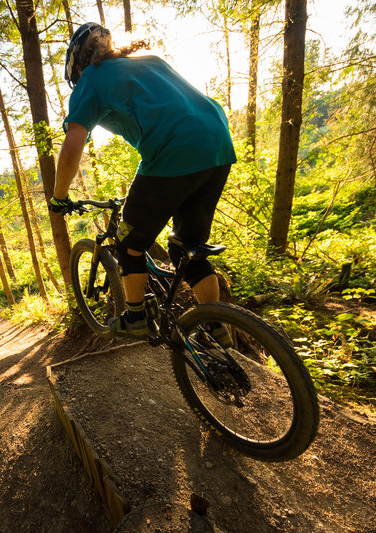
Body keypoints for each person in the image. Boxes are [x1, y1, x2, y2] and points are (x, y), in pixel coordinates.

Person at [48, 22, 236, 342]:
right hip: (218, 144)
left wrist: (59, 196)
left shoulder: (89, 79)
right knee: (187, 248)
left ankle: (135, 317)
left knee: (128, 243)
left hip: (172, 151)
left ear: (77, 65)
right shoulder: (151, 62)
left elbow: (73, 142)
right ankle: (216, 325)